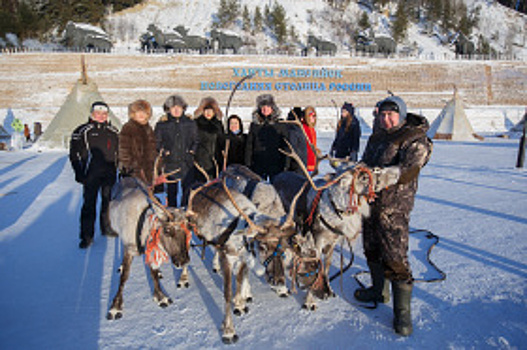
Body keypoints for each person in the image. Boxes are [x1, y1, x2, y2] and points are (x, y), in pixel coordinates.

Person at [355, 96, 433, 336]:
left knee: (395, 256)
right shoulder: (377, 136)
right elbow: (366, 162)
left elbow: (408, 171)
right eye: (383, 115)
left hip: (394, 208)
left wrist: (377, 178)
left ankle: (402, 314)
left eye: (391, 114)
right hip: (370, 204)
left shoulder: (415, 139)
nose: (386, 119)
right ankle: (378, 290)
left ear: (401, 114)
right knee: (371, 248)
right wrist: (357, 173)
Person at [69, 101, 119, 249]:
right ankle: (86, 235)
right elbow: (74, 154)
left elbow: (118, 153)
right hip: (91, 174)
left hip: (109, 173)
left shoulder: (114, 131)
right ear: (92, 114)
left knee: (107, 203)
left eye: (104, 113)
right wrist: (79, 172)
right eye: (98, 113)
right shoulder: (83, 130)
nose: (101, 116)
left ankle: (106, 227)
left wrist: (120, 169)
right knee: (89, 205)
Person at [154, 95, 198, 207]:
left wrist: (191, 152)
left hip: (186, 163)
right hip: (170, 164)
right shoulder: (162, 125)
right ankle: (172, 215)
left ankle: (184, 215)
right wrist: (164, 152)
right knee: (171, 192)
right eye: (173, 107)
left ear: (183, 108)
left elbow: (196, 140)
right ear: (168, 109)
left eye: (179, 107)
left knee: (187, 191)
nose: (176, 110)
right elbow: (157, 142)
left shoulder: (190, 124)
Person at [245, 94, 288, 180]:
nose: (265, 109)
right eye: (262, 107)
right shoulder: (255, 125)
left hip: (276, 165)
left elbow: (286, 145)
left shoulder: (280, 124)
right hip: (258, 165)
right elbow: (249, 146)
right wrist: (248, 164)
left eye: (268, 106)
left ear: (272, 108)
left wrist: (286, 164)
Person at [118, 99, 158, 185]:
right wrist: (131, 167)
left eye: (144, 112)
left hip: (148, 171)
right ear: (133, 113)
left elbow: (153, 149)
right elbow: (123, 150)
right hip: (133, 172)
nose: (141, 115)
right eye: (138, 112)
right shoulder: (127, 128)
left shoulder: (149, 129)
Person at [193, 97, 225, 180]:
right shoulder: (196, 124)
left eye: (211, 110)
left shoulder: (218, 124)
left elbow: (221, 141)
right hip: (200, 160)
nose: (208, 113)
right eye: (206, 110)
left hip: (215, 160)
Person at [284, 107, 307, 174]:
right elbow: (291, 149)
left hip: (298, 166)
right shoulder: (294, 130)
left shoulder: (294, 129)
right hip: (296, 167)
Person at [302, 106, 319, 173]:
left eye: (314, 116)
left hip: (312, 160)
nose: (314, 118)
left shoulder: (312, 129)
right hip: (306, 160)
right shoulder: (304, 128)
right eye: (312, 116)